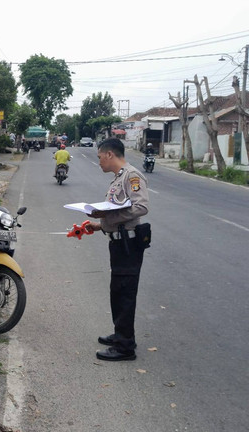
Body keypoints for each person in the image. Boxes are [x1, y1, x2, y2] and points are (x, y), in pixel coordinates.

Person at [85, 138, 150, 361]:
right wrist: (98, 224)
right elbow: (116, 211)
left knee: (125, 293)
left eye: (100, 157)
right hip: (119, 242)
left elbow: (141, 207)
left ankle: (125, 347)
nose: (100, 161)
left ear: (110, 154)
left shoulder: (131, 176)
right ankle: (120, 334)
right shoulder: (118, 178)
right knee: (117, 291)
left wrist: (107, 215)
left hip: (128, 244)